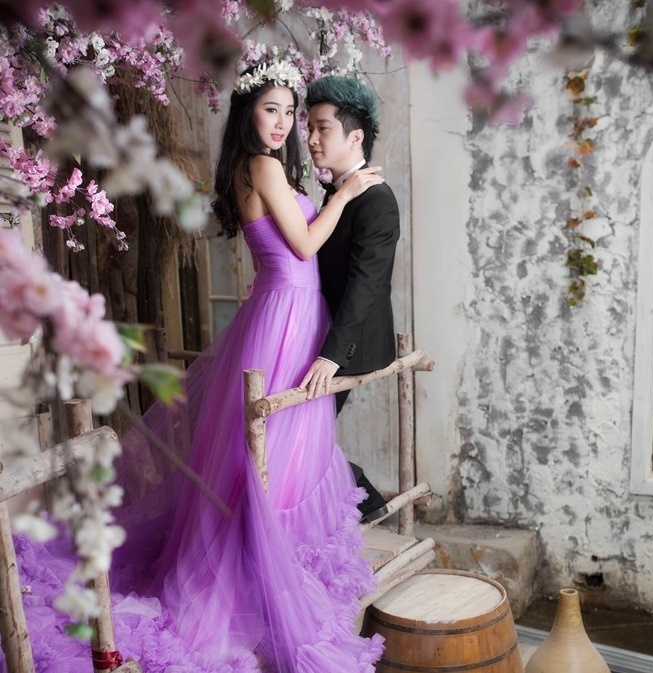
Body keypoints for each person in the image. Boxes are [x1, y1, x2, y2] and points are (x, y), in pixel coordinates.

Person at [3, 62, 385, 673]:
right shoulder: (260, 165)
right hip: (284, 319)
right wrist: (345, 192)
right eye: (272, 109)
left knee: (276, 457)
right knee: (266, 462)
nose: (284, 123)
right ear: (247, 112)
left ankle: (270, 575)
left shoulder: (261, 167)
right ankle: (253, 587)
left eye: (291, 112)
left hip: (288, 313)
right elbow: (306, 246)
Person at [300, 76, 401, 524]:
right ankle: (363, 503)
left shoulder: (376, 200)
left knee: (301, 434)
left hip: (349, 343)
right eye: (309, 128)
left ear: (355, 137)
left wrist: (331, 355)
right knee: (298, 434)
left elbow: (366, 284)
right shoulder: (338, 194)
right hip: (317, 330)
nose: (311, 139)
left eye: (322, 128)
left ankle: (363, 496)